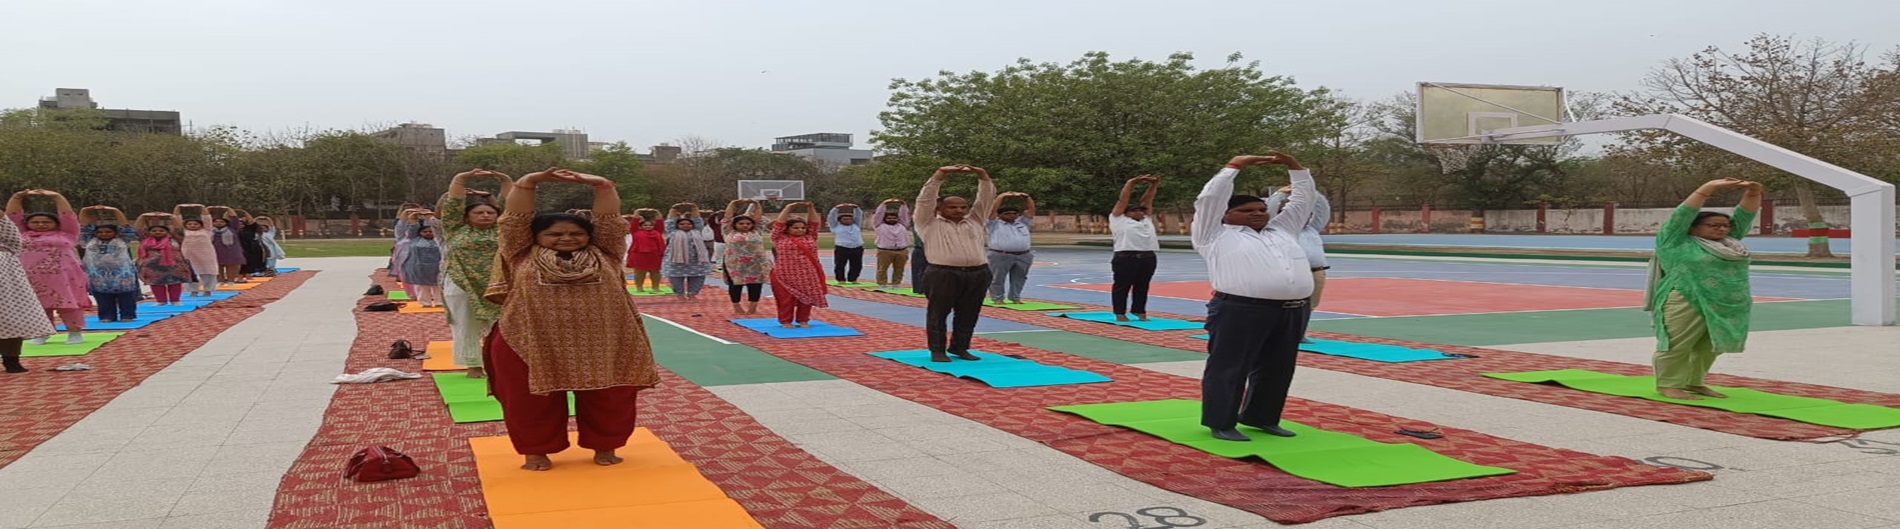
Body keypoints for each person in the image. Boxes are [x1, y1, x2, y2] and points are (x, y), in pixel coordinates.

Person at [483, 167, 658, 471]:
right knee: (528, 400)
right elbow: (513, 220)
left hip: (605, 338)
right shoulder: (519, 252)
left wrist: (602, 184)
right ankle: (535, 452)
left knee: (610, 396)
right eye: (554, 233)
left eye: (576, 233)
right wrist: (529, 182)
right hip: (528, 338)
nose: (567, 238)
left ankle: (606, 446)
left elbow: (609, 222)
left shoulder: (608, 252)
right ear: (535, 236)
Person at [1193, 152, 1316, 442]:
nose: (1259, 213)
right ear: (1226, 214)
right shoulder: (1214, 234)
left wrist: (1295, 167)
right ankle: (1221, 422)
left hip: (1291, 310)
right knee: (1229, 367)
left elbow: (1302, 201)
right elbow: (1209, 200)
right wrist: (1234, 166)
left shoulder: (1283, 230)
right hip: (1240, 309)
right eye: (1248, 210)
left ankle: (1262, 417)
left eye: (1261, 209)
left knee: (1279, 367)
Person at [1645, 178, 1763, 401]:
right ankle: (1668, 384)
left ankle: (1693, 381)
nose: (1721, 229)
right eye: (1713, 225)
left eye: (1725, 225)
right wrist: (1708, 188)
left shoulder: (1730, 243)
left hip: (1724, 303)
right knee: (1677, 344)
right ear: (1692, 227)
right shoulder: (1675, 241)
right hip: (1686, 297)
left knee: (1710, 346)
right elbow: (1682, 214)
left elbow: (1745, 215)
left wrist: (1754, 192)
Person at [914, 164, 997, 362]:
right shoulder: (927, 223)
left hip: (978, 273)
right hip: (942, 274)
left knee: (969, 313)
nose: (959, 210)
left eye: (962, 207)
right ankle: (937, 350)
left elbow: (985, 199)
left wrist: (983, 176)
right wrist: (939, 175)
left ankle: (960, 347)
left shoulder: (975, 220)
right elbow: (925, 200)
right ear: (939, 208)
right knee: (938, 313)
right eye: (952, 207)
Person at [439, 168, 511, 379]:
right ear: (466, 216)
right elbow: (452, 204)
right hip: (461, 284)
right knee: (464, 324)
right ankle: (473, 365)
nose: (485, 215)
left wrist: (504, 178)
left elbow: (510, 206)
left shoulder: (503, 230)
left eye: (490, 212)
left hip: (498, 285)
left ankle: (499, 364)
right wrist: (461, 178)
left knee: (501, 326)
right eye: (479, 212)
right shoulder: (454, 229)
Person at [7, 189, 91, 344]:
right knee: (36, 305)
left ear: (56, 223)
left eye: (46, 222)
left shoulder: (67, 233)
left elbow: (68, 216)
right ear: (27, 224)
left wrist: (57, 197)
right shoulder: (20, 234)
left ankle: (74, 332)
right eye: (35, 222)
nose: (40, 225)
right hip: (31, 277)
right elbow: (12, 217)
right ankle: (42, 332)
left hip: (64, 276)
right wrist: (17, 197)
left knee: (68, 303)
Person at [1266, 182, 1332, 342]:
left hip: (1316, 271)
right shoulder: (1278, 228)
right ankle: (1278, 332)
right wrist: (1279, 195)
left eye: (1307, 214)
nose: (1306, 217)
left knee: (1309, 305)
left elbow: (1323, 210)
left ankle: (1299, 333)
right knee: (1286, 304)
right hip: (1292, 271)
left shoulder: (1312, 228)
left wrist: (1311, 193)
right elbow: (1269, 212)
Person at [0, 215, 58, 373]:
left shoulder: (6, 237)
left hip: (6, 282)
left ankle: (11, 360)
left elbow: (14, 239)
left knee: (10, 319)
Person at [1109, 175, 1162, 322]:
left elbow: (1148, 200)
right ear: (1126, 212)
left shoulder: (1146, 219)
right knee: (1122, 286)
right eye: (1134, 210)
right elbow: (1123, 200)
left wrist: (1153, 185)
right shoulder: (1118, 219)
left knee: (1142, 286)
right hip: (1126, 257)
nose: (1139, 212)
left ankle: (1139, 311)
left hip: (1148, 257)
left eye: (1140, 210)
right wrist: (1130, 183)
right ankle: (1120, 312)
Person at [770, 202, 829, 327]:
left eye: (802, 228)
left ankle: (803, 320)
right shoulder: (779, 237)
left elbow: (814, 224)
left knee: (807, 298)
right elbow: (779, 224)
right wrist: (788, 208)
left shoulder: (810, 237)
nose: (800, 230)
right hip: (784, 274)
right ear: (787, 229)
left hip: (807, 274)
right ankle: (785, 321)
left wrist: (811, 208)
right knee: (785, 299)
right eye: (795, 228)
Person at [82, 224, 142, 323]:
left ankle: (127, 315)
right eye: (100, 232)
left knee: (126, 297)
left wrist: (115, 211)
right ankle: (107, 316)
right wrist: (87, 210)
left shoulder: (123, 240)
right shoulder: (88, 240)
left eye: (108, 232)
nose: (104, 234)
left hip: (122, 275)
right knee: (102, 297)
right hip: (97, 275)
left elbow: (127, 228)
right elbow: (84, 227)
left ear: (116, 233)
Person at [719, 200, 770, 315]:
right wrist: (733, 204)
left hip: (756, 263)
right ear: (735, 225)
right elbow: (727, 217)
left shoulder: (757, 231)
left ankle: (753, 307)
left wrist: (756, 204)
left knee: (756, 284)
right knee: (736, 285)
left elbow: (758, 218)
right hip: (735, 264)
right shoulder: (729, 231)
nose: (745, 226)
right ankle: (737, 307)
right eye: (741, 224)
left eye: (748, 224)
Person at [985, 192, 1036, 304]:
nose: (1012, 215)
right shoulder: (994, 224)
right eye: (1007, 213)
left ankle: (1015, 297)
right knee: (997, 278)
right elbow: (992, 211)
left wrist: (1027, 197)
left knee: (1020, 278)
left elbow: (1030, 211)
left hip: (1024, 255)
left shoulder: (1022, 223)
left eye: (1014, 213)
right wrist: (1001, 197)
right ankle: (998, 298)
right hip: (1000, 254)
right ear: (1000, 215)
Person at [133, 214, 193, 306]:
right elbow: (138, 229)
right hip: (152, 268)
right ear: (149, 233)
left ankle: (175, 300)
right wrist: (142, 216)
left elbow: (179, 229)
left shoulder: (175, 239)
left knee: (175, 283)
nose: (158, 232)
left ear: (167, 232)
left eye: (161, 230)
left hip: (174, 266)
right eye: (154, 231)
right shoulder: (145, 240)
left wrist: (172, 217)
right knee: (156, 284)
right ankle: (161, 301)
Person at [662, 203, 713, 300]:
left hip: (696, 260)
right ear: (677, 225)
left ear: (692, 225)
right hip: (676, 260)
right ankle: (680, 294)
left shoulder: (697, 231)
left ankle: (692, 293)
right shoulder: (673, 231)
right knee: (675, 278)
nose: (685, 225)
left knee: (698, 277)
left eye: (688, 224)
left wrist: (694, 208)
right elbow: (670, 221)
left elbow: (698, 220)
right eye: (682, 224)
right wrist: (674, 208)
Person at [173, 204, 220, 297]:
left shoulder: (206, 230)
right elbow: (176, 221)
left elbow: (207, 219)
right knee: (189, 272)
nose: (192, 225)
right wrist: (178, 208)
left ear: (201, 225)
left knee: (208, 272)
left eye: (195, 224)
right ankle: (193, 291)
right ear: (185, 225)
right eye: (189, 224)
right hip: (188, 255)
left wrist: (202, 207)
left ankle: (208, 290)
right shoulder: (182, 232)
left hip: (206, 254)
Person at [870, 199, 913, 288]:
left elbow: (904, 215)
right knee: (882, 269)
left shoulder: (902, 225)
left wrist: (903, 205)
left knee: (899, 269)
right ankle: (882, 283)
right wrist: (883, 204)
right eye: (889, 218)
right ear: (884, 219)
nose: (892, 219)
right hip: (885, 251)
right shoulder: (879, 225)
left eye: (894, 218)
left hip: (901, 251)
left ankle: (896, 283)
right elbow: (878, 215)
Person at [401, 224, 445, 307]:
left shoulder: (440, 240)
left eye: (431, 231)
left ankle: (439, 302)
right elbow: (412, 229)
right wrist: (414, 220)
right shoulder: (414, 240)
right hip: (419, 267)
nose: (428, 233)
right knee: (421, 286)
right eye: (425, 232)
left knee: (438, 285)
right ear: (419, 232)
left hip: (437, 267)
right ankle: (425, 303)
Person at [625, 209, 666, 293]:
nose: (648, 227)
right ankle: (639, 288)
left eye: (650, 225)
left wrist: (657, 212)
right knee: (639, 272)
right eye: (645, 225)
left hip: (655, 255)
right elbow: (634, 223)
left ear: (654, 226)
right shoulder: (636, 232)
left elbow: (660, 223)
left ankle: (655, 287)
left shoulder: (657, 232)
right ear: (641, 226)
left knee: (655, 272)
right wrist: (637, 212)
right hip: (639, 255)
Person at [827, 204, 865, 284]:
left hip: (857, 247)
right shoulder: (835, 226)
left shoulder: (856, 225)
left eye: (850, 219)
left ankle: (853, 279)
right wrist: (836, 208)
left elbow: (859, 216)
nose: (848, 221)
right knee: (840, 264)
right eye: (845, 219)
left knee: (857, 265)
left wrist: (856, 208)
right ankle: (841, 279)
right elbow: (831, 217)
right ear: (840, 220)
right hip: (842, 248)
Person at [208, 208, 247, 285]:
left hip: (231, 251)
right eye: (216, 222)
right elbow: (205, 219)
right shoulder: (210, 231)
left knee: (232, 267)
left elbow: (234, 218)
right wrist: (207, 210)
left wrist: (228, 209)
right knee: (217, 267)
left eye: (221, 221)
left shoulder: (232, 229)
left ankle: (231, 280)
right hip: (216, 251)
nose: (219, 223)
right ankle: (220, 281)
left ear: (226, 223)